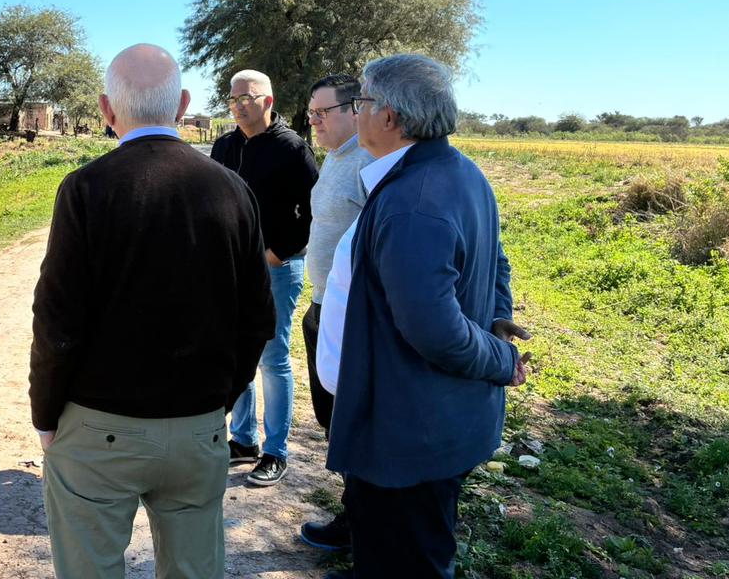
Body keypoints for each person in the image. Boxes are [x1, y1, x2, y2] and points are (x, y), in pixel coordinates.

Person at [30, 43, 275, 579]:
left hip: (98, 428)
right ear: (182, 105)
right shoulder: (233, 190)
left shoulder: (86, 188)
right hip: (197, 427)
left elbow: (57, 322)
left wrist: (45, 413)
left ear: (105, 109)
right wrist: (217, 401)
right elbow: (258, 316)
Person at [323, 54, 530, 579]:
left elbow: (435, 329)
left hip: (409, 432)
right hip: (424, 420)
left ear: (389, 117)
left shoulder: (413, 201)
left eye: (361, 101)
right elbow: (496, 259)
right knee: (404, 550)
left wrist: (501, 359)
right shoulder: (457, 172)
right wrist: (499, 315)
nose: (356, 111)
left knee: (408, 558)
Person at [210, 69, 319, 487]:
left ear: (267, 101)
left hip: (277, 268)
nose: (237, 106)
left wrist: (276, 254)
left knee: (272, 359)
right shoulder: (224, 146)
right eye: (232, 99)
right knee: (239, 354)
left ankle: (276, 451)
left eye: (246, 98)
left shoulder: (292, 148)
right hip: (232, 269)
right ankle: (243, 440)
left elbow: (311, 214)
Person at [295, 74, 372, 554]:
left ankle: (362, 525)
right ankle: (356, 513)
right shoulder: (336, 158)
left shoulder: (370, 162)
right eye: (312, 114)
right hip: (322, 303)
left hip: (349, 313)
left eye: (323, 113)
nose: (314, 122)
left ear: (355, 109)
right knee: (331, 418)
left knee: (351, 421)